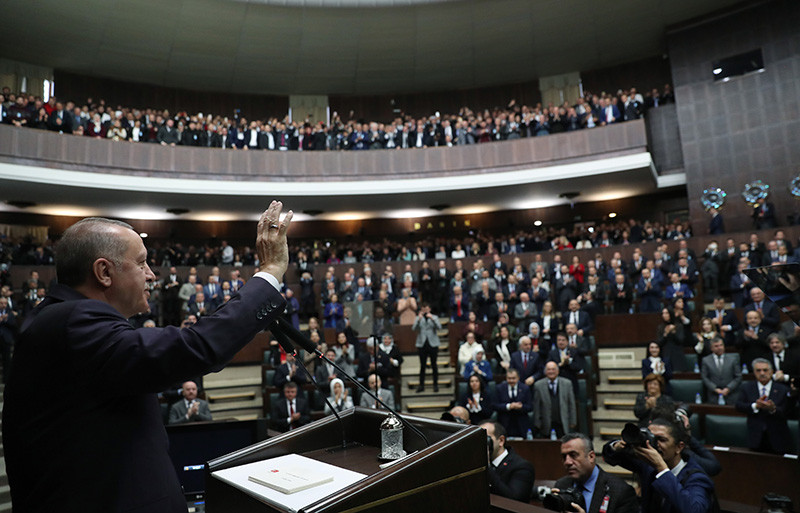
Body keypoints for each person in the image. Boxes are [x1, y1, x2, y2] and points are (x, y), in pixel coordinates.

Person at [3, 202, 292, 513]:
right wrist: (270, 272)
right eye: (141, 264)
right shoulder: (73, 323)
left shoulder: (64, 319)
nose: (152, 275)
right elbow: (194, 347)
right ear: (104, 272)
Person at [603, 417, 717, 513]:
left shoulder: (697, 478)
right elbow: (611, 457)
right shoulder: (648, 466)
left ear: (679, 447)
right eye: (650, 438)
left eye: (661, 439)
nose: (654, 444)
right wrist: (617, 446)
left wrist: (662, 469)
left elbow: (695, 510)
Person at [551, 433, 637, 513]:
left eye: (573, 455)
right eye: (564, 457)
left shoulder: (620, 492)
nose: (567, 462)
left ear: (591, 457)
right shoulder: (562, 485)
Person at [735, 358, 793, 454]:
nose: (762, 373)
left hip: (778, 437)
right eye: (758, 370)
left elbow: (787, 411)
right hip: (755, 437)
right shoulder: (747, 387)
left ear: (771, 372)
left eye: (765, 370)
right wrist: (755, 406)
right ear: (754, 372)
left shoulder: (783, 389)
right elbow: (738, 406)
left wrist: (772, 409)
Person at [480, 421, 535, 503]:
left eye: (485, 438)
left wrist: (487, 466)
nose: (481, 443)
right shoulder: (478, 466)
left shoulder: (522, 466)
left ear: (501, 440)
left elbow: (514, 500)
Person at [533, 361, 576, 438]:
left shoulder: (567, 383)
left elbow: (571, 404)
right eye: (549, 369)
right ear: (545, 371)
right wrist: (537, 423)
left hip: (562, 422)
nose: (551, 371)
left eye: (553, 369)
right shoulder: (538, 385)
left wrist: (573, 421)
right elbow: (537, 406)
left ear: (558, 371)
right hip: (546, 423)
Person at [700, 337, 741, 404]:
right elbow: (705, 377)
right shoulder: (706, 360)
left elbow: (738, 376)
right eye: (716, 346)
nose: (719, 348)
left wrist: (728, 388)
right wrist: (715, 389)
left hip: (731, 395)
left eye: (721, 345)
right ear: (711, 348)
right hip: (714, 395)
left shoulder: (733, 359)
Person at [494, 368, 532, 438]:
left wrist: (521, 407)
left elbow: (530, 407)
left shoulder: (525, 388)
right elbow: (495, 405)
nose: (511, 380)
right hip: (505, 423)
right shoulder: (499, 388)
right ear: (506, 378)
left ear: (518, 378)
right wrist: (508, 406)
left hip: (521, 424)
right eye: (509, 378)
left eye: (513, 378)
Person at [412, 302, 442, 392]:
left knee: (434, 365)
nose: (425, 310)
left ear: (429, 309)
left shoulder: (435, 317)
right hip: (422, 344)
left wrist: (432, 319)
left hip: (433, 344)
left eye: (426, 309)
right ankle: (421, 385)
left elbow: (439, 327)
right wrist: (418, 320)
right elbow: (414, 329)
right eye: (423, 309)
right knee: (422, 366)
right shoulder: (418, 318)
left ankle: (435, 385)